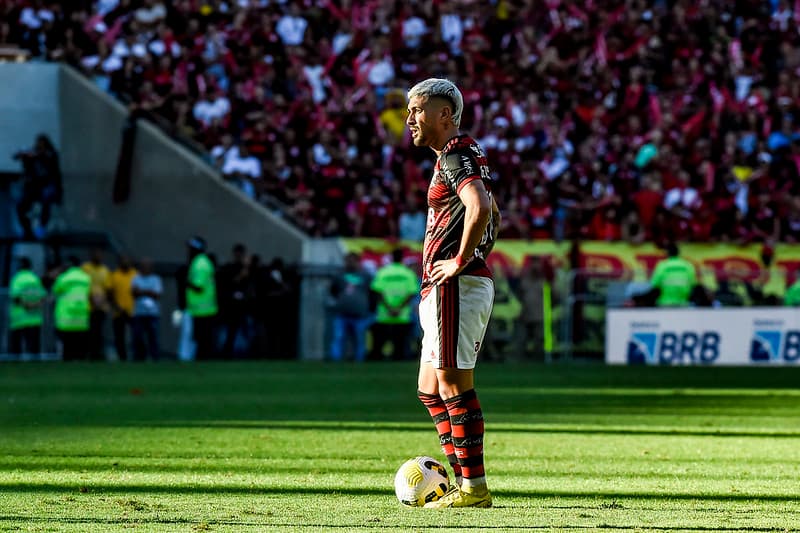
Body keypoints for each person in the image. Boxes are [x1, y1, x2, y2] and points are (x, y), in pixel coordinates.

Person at [406, 78, 500, 508]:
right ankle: (462, 482)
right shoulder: (458, 154)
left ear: (444, 114)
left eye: (417, 110)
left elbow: (479, 206)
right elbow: (493, 211)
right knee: (430, 387)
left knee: (452, 384)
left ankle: (474, 488)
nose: (410, 119)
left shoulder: (456, 154)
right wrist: (476, 253)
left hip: (455, 286)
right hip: (447, 286)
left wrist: (462, 260)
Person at [369, 249, 420, 361]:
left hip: (384, 314)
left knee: (380, 342)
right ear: (402, 258)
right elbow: (411, 293)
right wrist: (399, 308)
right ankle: (398, 358)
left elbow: (377, 292)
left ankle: (378, 358)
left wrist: (389, 308)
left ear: (391, 258)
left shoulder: (383, 272)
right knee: (400, 345)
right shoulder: (408, 273)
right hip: (402, 315)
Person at [12, 133, 62, 239]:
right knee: (21, 206)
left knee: (46, 202)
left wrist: (35, 154)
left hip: (47, 186)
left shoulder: (50, 155)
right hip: (34, 187)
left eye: (42, 144)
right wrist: (24, 154)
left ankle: (41, 228)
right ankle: (27, 230)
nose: (39, 146)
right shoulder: (32, 154)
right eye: (38, 143)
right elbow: (16, 156)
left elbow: (49, 158)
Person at [328, 252, 373, 362]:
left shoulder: (366, 276)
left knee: (359, 339)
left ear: (358, 262)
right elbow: (333, 290)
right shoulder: (339, 275)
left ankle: (359, 360)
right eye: (348, 261)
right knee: (338, 337)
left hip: (360, 315)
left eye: (352, 261)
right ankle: (335, 359)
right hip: (342, 314)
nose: (349, 264)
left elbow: (372, 292)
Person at [52, 256, 91, 361]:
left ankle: (67, 359)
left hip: (66, 314)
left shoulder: (63, 277)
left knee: (67, 342)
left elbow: (56, 290)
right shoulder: (85, 277)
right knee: (79, 341)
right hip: (81, 313)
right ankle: (80, 359)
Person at [185, 236, 218, 360]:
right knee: (203, 339)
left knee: (203, 340)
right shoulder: (201, 261)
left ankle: (203, 360)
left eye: (190, 248)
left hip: (202, 309)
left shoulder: (200, 263)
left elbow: (198, 286)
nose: (188, 250)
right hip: (202, 309)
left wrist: (186, 282)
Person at [217, 243, 252, 358]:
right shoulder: (230, 268)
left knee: (247, 330)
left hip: (245, 305)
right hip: (232, 305)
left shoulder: (248, 268)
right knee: (231, 331)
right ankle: (227, 353)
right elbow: (231, 282)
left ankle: (248, 354)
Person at [8, 256, 47, 358]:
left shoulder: (17, 278)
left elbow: (15, 297)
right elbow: (43, 296)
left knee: (16, 346)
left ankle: (15, 362)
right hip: (35, 318)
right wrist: (35, 305)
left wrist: (27, 305)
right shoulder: (35, 279)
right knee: (34, 346)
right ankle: (35, 363)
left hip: (19, 318)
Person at [82, 248, 112, 360]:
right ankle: (89, 353)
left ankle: (98, 354)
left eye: (100, 255)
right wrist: (91, 299)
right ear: (91, 256)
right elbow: (83, 286)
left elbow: (108, 288)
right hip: (87, 306)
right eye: (96, 255)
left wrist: (101, 301)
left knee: (99, 331)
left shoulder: (105, 270)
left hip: (101, 307)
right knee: (89, 331)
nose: (98, 257)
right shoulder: (85, 268)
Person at [131, 258, 162, 361]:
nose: (145, 268)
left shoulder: (156, 279)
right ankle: (139, 358)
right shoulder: (136, 278)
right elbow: (134, 293)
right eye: (143, 266)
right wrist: (149, 291)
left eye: (147, 266)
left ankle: (155, 358)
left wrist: (142, 291)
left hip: (152, 313)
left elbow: (157, 295)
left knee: (153, 337)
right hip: (139, 313)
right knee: (138, 337)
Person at [649, 242, 698, 307]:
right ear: (678, 253)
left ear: (667, 253)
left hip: (665, 303)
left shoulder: (662, 265)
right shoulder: (688, 265)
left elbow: (655, 283)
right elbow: (694, 283)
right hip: (683, 303)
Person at [109, 255, 138, 361]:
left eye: (127, 260)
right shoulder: (114, 275)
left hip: (133, 311)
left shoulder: (135, 274)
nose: (125, 263)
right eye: (123, 261)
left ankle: (136, 356)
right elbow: (110, 294)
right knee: (119, 336)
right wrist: (117, 307)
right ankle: (122, 357)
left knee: (136, 336)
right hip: (118, 312)